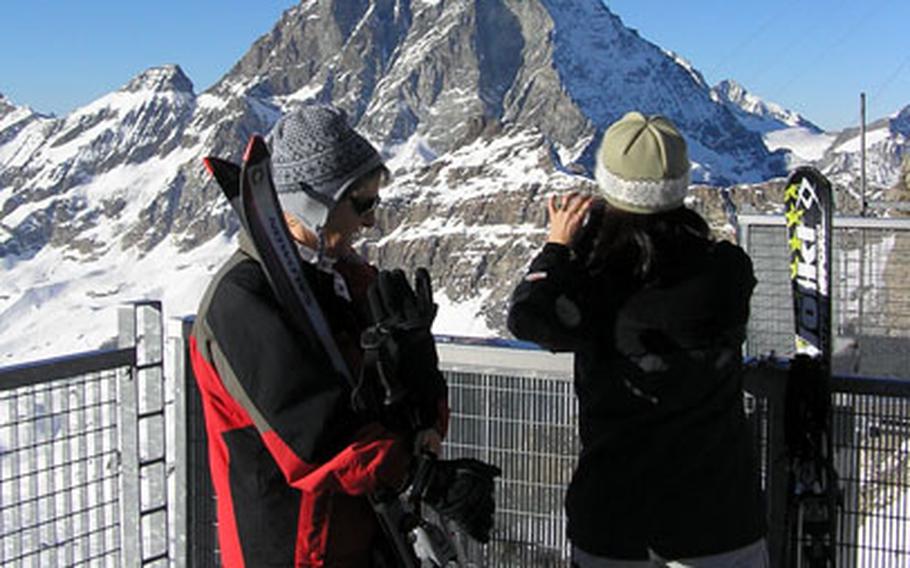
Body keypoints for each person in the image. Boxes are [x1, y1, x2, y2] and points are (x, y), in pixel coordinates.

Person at [190, 103, 498, 567]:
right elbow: (316, 438)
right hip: (291, 550)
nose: (371, 222)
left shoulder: (346, 282)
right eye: (362, 203)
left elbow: (384, 413)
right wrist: (421, 479)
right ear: (314, 205)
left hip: (365, 538)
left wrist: (419, 373)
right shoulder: (241, 302)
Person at [507, 112, 767, 567]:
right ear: (681, 185)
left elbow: (528, 316)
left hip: (615, 520)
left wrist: (557, 247)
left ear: (609, 187)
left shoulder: (593, 287)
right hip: (722, 519)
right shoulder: (728, 270)